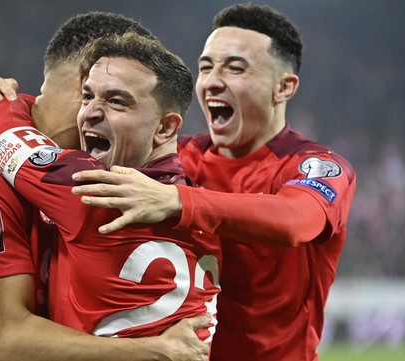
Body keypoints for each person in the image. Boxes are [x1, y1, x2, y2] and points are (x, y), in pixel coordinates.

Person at [68, 4, 357, 361]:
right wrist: (4, 103)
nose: (213, 80)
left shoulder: (314, 165)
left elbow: (296, 219)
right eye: (206, 67)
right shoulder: (180, 157)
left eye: (236, 68)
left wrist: (178, 201)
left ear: (283, 87)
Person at [0, 12, 210, 361]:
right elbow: (6, 339)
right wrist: (152, 351)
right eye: (115, 97)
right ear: (89, 81)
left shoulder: (89, 167)